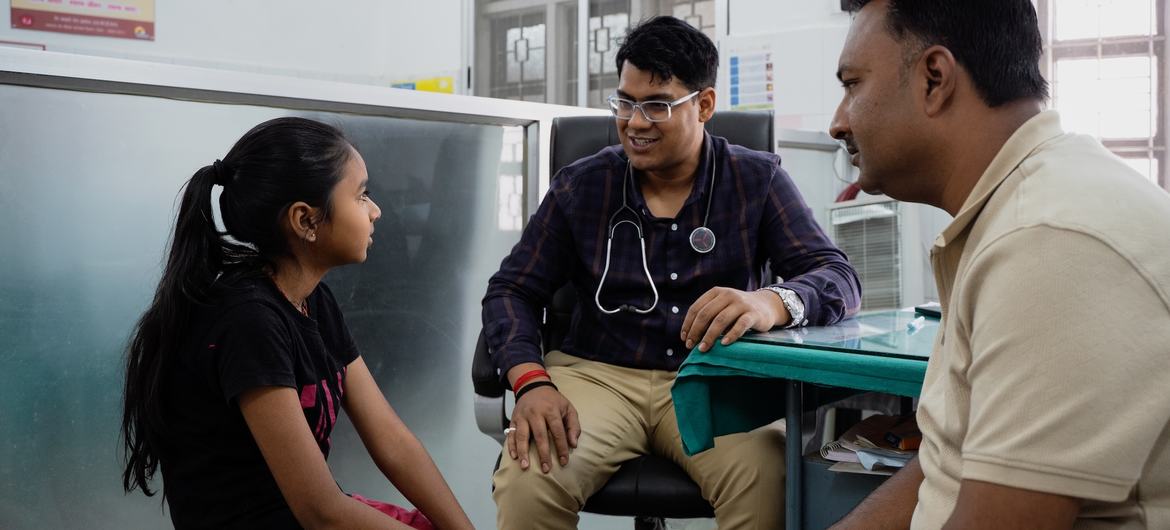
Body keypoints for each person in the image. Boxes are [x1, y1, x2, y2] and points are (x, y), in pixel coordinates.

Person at [483, 16, 862, 529]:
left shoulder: (756, 180)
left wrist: (769, 302)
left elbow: (836, 276)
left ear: (703, 105)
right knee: (530, 476)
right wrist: (530, 382)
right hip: (599, 376)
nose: (634, 123)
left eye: (656, 105)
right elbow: (512, 290)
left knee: (767, 480)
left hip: (712, 380)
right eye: (624, 103)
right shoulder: (583, 185)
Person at [829, 1, 1170, 528]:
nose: (837, 121)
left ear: (934, 78)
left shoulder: (1050, 239)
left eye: (852, 84)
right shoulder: (1015, 209)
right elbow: (948, 458)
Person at [120, 117, 474, 530]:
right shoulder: (249, 321)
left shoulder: (312, 299)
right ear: (305, 220)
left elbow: (392, 441)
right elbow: (321, 512)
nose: (376, 211)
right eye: (360, 196)